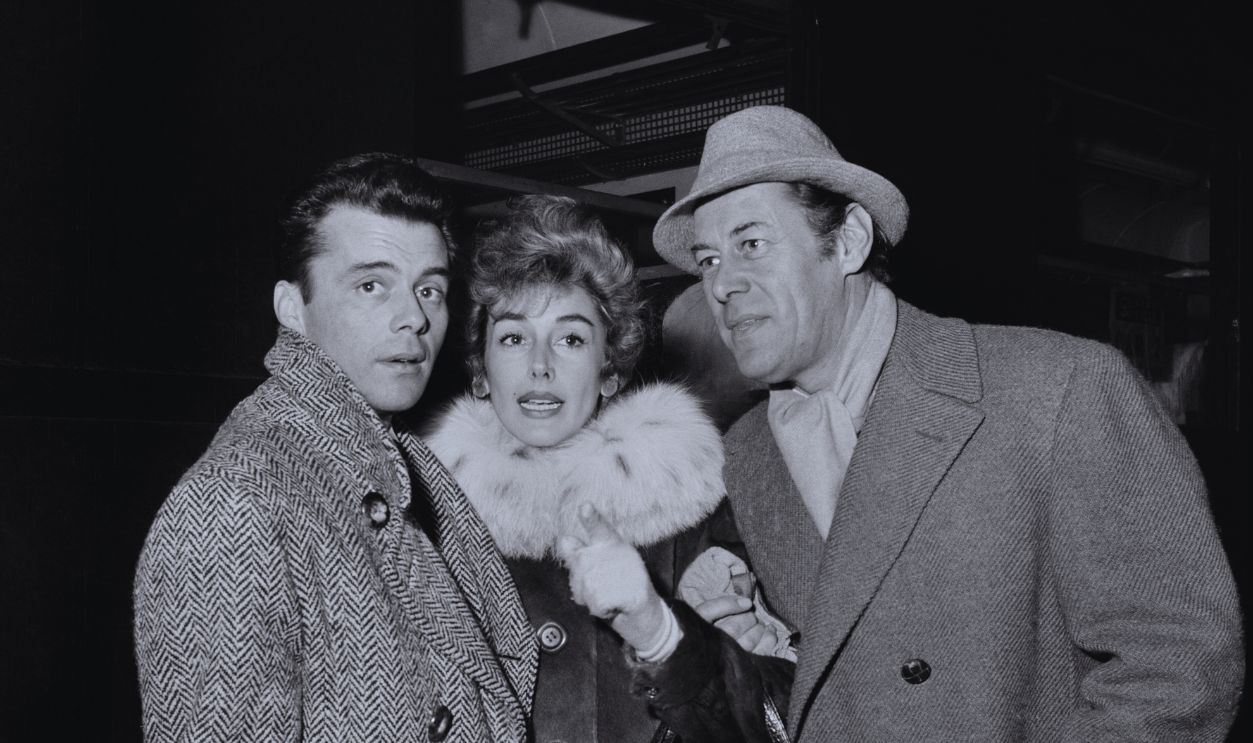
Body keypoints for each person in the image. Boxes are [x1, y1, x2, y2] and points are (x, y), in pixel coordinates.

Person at [575, 105, 1245, 741]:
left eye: (750, 243)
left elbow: (1178, 664)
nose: (720, 284)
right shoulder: (749, 453)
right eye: (709, 258)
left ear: (848, 241)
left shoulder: (1053, 389)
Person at [133, 153, 537, 742]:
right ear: (292, 309)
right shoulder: (232, 503)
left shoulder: (411, 465)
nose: (414, 318)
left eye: (430, 289)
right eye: (371, 285)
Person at [423, 194, 792, 743]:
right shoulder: (424, 522)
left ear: (609, 371)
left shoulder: (702, 509)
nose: (541, 366)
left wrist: (676, 642)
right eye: (514, 338)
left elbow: (779, 717)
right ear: (481, 372)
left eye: (571, 338)